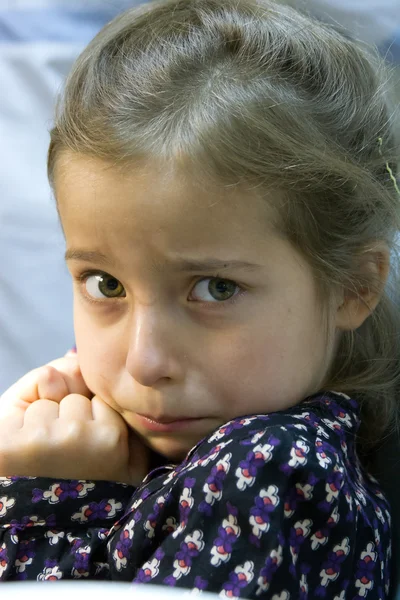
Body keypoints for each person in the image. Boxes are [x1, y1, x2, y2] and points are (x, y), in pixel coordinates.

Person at [0, 0, 399, 596]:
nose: (145, 362)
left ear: (354, 285)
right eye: (106, 285)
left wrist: (56, 496)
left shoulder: (268, 467)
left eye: (215, 289)